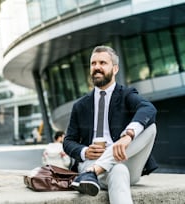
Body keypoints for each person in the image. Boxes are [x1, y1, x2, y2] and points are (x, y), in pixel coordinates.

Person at [63, 45, 157, 204]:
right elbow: (68, 141)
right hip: (90, 161)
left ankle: (93, 172)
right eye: (93, 64)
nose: (97, 67)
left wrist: (128, 136)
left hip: (127, 161)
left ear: (115, 69)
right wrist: (85, 151)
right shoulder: (80, 105)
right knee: (118, 170)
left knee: (151, 127)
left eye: (102, 63)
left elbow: (148, 108)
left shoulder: (126, 94)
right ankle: (94, 170)